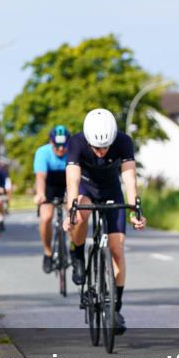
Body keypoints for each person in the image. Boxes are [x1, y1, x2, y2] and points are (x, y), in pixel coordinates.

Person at [61, 108, 146, 335]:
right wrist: (71, 209)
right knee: (81, 214)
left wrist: (135, 209)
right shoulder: (77, 143)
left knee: (117, 248)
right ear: (88, 140)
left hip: (111, 191)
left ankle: (116, 308)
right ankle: (77, 253)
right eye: (96, 148)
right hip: (85, 187)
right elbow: (72, 179)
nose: (100, 152)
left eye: (105, 147)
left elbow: (129, 178)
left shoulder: (124, 142)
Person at [33, 125, 70, 274]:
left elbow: (76, 179)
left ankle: (74, 250)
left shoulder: (73, 152)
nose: (61, 149)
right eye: (57, 146)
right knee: (46, 217)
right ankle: (48, 253)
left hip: (67, 184)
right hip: (49, 185)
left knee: (76, 216)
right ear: (51, 142)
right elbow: (40, 177)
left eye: (64, 146)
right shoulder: (42, 152)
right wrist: (40, 194)